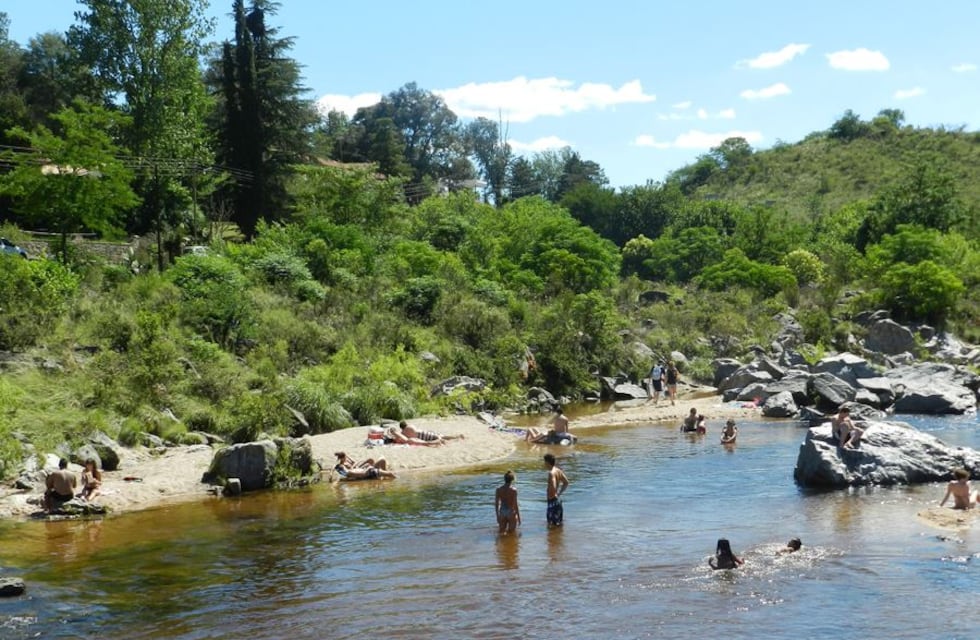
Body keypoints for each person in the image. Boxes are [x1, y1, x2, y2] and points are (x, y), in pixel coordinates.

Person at [544, 453, 569, 527]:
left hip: (552, 502)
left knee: (551, 527)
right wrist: (559, 493)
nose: (544, 464)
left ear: (547, 462)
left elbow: (553, 485)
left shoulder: (551, 473)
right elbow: (566, 482)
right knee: (558, 527)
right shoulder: (558, 470)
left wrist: (552, 494)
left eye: (544, 462)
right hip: (558, 501)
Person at [332, 452, 396, 480]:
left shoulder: (346, 470)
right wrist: (368, 468)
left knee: (380, 460)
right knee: (382, 460)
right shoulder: (348, 471)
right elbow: (362, 473)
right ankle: (385, 476)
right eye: (345, 457)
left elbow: (335, 468)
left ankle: (385, 475)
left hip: (368, 471)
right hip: (369, 471)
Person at [495, 470, 521, 534]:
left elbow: (496, 504)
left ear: (504, 479)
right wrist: (519, 517)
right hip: (511, 512)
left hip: (502, 512)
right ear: (512, 479)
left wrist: (497, 516)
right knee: (512, 534)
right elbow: (515, 505)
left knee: (501, 533)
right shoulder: (514, 490)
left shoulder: (498, 489)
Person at [399, 420, 464, 444]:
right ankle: (457, 437)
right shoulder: (411, 426)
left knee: (440, 439)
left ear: (401, 428)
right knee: (442, 436)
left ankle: (457, 439)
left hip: (422, 437)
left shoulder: (403, 432)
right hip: (424, 432)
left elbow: (401, 437)